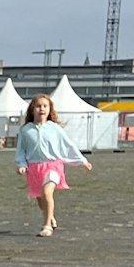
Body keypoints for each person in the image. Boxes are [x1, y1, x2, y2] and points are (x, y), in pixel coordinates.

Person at [16, 92, 91, 238]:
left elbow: (68, 145)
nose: (42, 109)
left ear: (50, 109)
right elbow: (21, 151)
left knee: (47, 193)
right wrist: (21, 164)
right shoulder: (25, 130)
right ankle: (50, 217)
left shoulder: (54, 128)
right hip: (34, 169)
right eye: (38, 106)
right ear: (32, 109)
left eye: (45, 106)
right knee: (40, 199)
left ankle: (47, 226)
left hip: (53, 166)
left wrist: (82, 160)